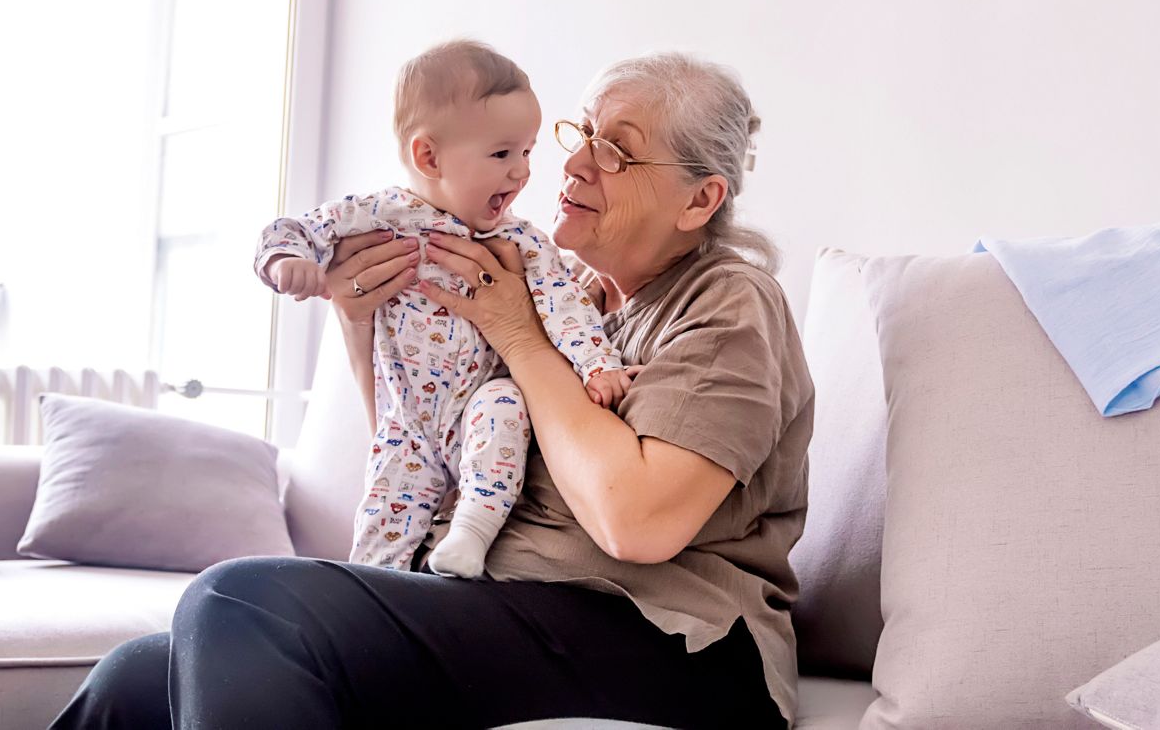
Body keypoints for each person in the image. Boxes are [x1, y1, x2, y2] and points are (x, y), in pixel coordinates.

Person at [50, 52, 812, 730]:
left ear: (699, 201)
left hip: (670, 641)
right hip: (510, 599)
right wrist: (356, 321)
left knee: (242, 601)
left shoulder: (728, 302)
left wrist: (520, 338)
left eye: (616, 151)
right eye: (580, 134)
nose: (576, 163)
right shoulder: (568, 290)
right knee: (137, 679)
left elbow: (637, 524)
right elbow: (430, 438)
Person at [253, 39, 631, 578]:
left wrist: (598, 364)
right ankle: (371, 595)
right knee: (381, 530)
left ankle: (471, 533)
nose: (522, 173)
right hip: (406, 423)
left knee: (505, 404)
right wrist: (285, 260)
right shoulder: (379, 216)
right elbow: (294, 229)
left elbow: (566, 304)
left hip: (477, 408)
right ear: (428, 156)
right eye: (502, 154)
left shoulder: (519, 240)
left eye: (526, 153)